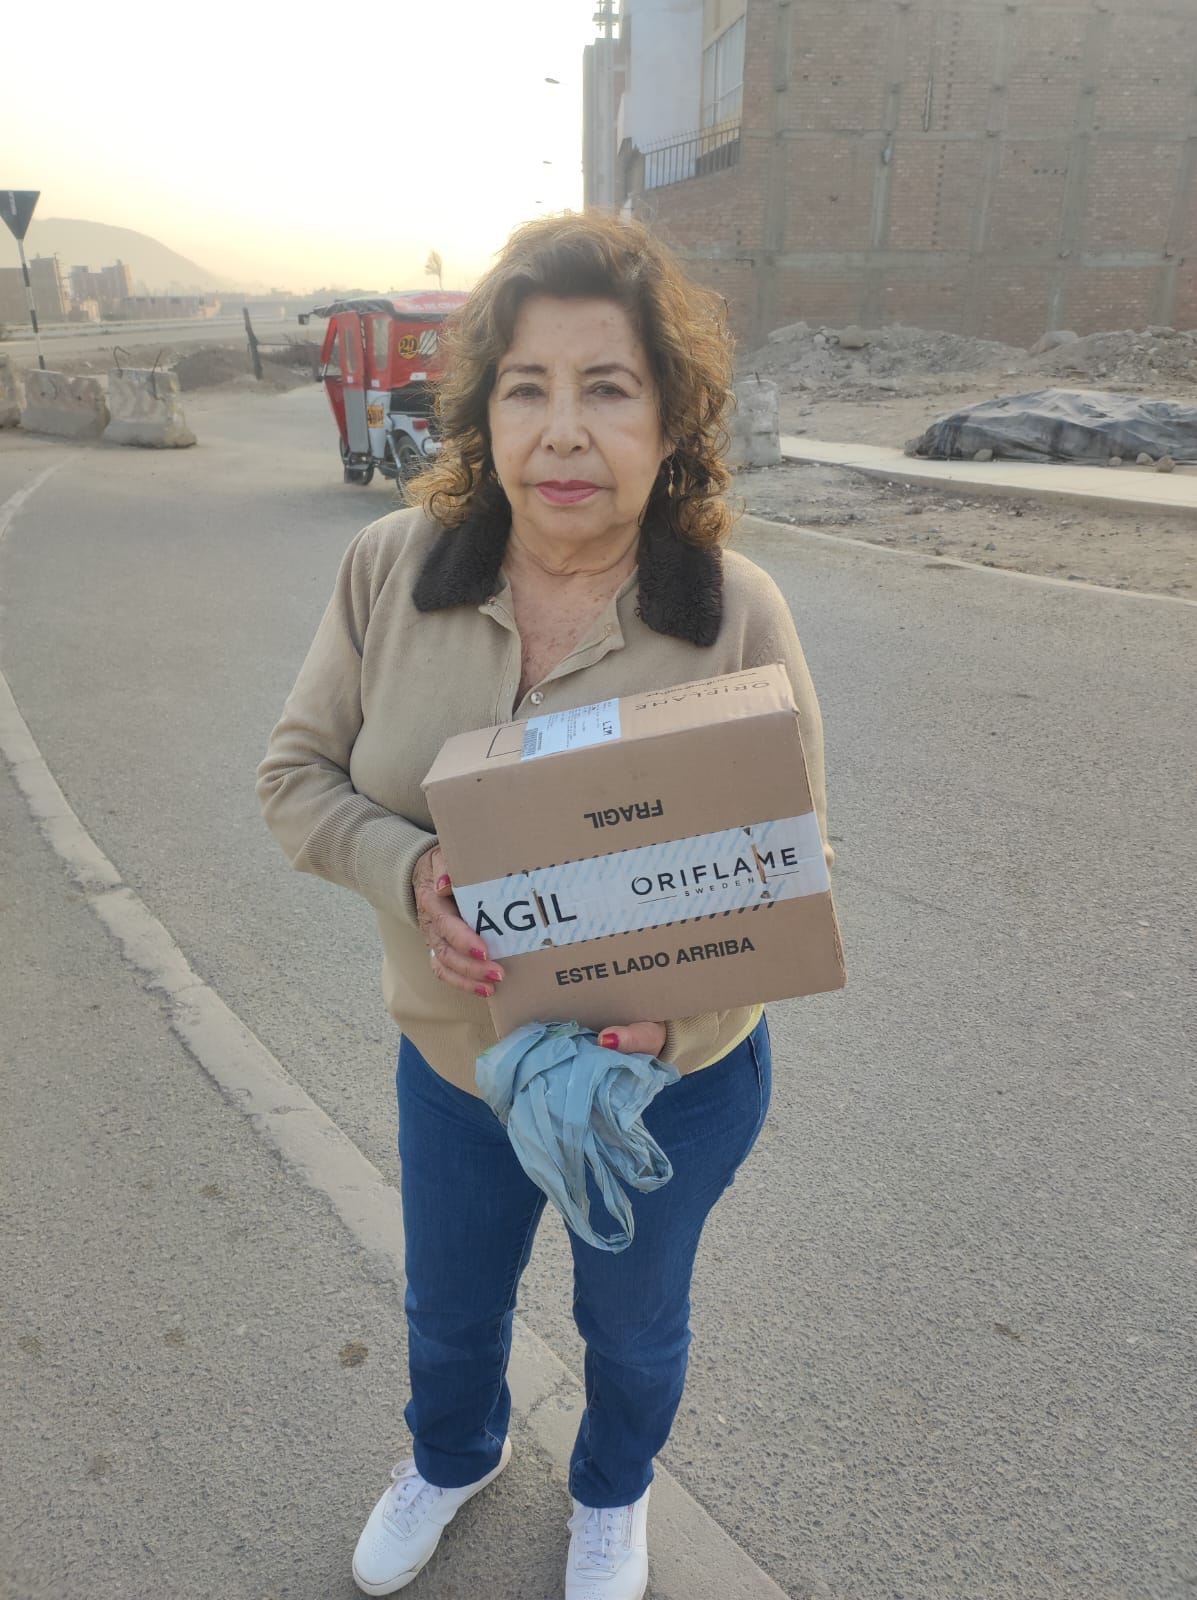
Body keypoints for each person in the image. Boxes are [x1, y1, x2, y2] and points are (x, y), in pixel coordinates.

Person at [257, 211, 832, 1600]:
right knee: (449, 1307)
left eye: (608, 388)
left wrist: (670, 1026)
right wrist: (407, 869)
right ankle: (454, 1456)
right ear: (483, 412)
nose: (562, 433)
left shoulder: (733, 614)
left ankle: (611, 1491)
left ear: (670, 420)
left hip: (664, 1088)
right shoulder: (393, 570)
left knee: (630, 1327)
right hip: (457, 1068)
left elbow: (792, 863)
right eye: (526, 388)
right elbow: (293, 779)